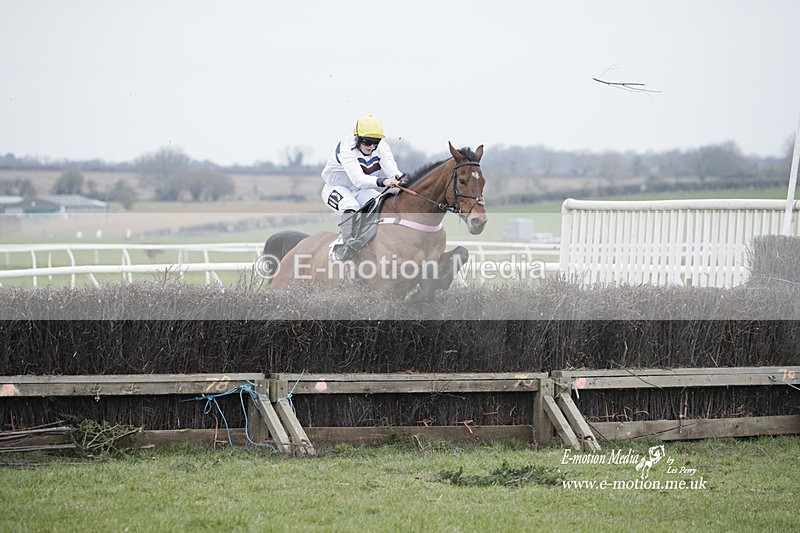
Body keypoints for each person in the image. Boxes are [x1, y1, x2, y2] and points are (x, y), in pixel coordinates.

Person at [321, 114, 406, 261]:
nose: (372, 146)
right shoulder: (345, 148)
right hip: (335, 188)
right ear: (358, 138)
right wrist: (384, 181)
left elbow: (394, 172)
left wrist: (403, 180)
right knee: (350, 205)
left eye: (376, 142)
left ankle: (369, 239)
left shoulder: (382, 147)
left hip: (360, 190)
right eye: (368, 142)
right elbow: (358, 180)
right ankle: (346, 246)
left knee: (379, 202)